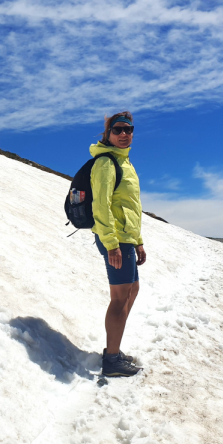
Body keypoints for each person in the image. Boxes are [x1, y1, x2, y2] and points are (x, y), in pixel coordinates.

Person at [91, 111, 146, 377]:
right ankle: (112, 360)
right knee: (119, 298)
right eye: (118, 129)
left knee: (132, 290)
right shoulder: (106, 163)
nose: (124, 134)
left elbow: (130, 207)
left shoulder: (125, 163)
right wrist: (112, 244)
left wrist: (138, 242)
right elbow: (101, 206)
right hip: (115, 239)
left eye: (129, 129)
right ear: (108, 134)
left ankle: (114, 350)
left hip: (126, 239)